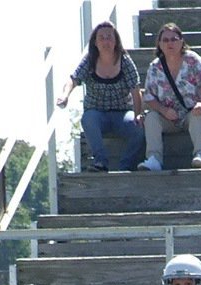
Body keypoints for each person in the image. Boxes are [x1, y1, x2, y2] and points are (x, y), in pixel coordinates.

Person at [56, 21, 145, 173]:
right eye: (101, 38)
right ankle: (100, 161)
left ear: (116, 41)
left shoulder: (124, 61)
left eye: (109, 37)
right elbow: (73, 79)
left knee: (139, 129)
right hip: (96, 112)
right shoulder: (90, 60)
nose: (106, 41)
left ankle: (125, 165)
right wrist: (65, 96)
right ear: (95, 42)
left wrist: (138, 115)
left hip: (122, 113)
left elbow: (136, 90)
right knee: (88, 119)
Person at [139, 23, 201, 171]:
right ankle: (154, 159)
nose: (170, 43)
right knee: (151, 118)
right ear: (159, 44)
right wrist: (163, 110)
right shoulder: (155, 67)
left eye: (174, 39)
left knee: (198, 116)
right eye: (165, 40)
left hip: (191, 112)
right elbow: (149, 97)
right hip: (168, 117)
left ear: (181, 41)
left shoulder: (192, 60)